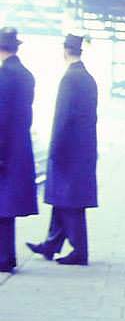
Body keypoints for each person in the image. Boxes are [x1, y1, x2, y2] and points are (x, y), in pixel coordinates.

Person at [27, 34, 98, 266]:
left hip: (68, 151)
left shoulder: (70, 79)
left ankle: (80, 251)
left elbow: (62, 118)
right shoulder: (88, 78)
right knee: (63, 199)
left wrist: (55, 148)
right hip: (83, 149)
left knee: (70, 201)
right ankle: (51, 245)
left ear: (65, 51)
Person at [0, 28, 38, 273]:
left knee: (1, 207)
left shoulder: (4, 75)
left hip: (4, 149)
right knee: (6, 207)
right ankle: (7, 256)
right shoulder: (26, 74)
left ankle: (3, 258)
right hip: (18, 146)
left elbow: (1, 117)